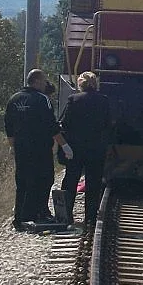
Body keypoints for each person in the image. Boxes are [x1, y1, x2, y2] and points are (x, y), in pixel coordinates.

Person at [5, 69, 74, 230]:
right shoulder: (42, 99)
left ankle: (20, 217)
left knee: (22, 181)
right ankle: (39, 213)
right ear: (36, 81)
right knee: (44, 179)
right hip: (40, 148)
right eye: (43, 81)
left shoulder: (14, 99)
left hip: (21, 147)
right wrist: (64, 145)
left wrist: (12, 146)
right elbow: (52, 126)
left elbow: (8, 125)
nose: (45, 84)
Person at [58, 71, 111, 227]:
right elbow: (108, 124)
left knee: (71, 180)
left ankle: (66, 216)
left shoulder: (73, 99)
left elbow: (65, 123)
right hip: (96, 148)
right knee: (93, 182)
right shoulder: (104, 100)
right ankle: (91, 218)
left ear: (81, 84)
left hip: (76, 148)